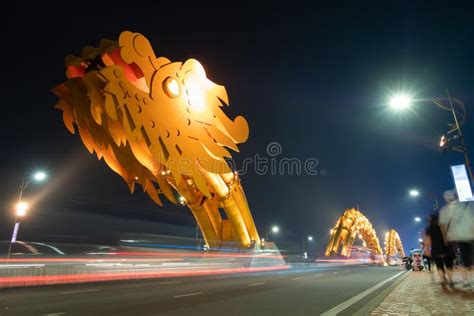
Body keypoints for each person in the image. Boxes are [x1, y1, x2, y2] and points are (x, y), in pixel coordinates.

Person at [439, 189, 474, 289]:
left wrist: (445, 238)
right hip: (470, 235)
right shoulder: (465, 206)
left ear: (445, 199)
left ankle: (466, 281)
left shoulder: (444, 210)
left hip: (455, 237)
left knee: (460, 259)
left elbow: (442, 226)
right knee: (470, 258)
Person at [424, 213, 454, 288]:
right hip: (446, 247)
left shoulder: (429, 228)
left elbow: (428, 240)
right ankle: (450, 281)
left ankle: (442, 280)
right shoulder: (444, 225)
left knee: (439, 265)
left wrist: (427, 248)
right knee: (448, 264)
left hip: (436, 249)